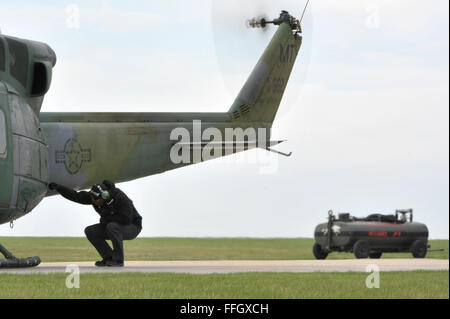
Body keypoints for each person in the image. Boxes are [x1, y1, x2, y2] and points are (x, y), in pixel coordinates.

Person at [49, 180, 142, 267]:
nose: (94, 201)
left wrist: (106, 219)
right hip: (113, 227)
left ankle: (118, 260)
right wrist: (58, 188)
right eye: (92, 198)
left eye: (96, 200)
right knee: (90, 231)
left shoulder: (120, 197)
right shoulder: (94, 197)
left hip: (132, 227)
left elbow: (126, 219)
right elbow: (75, 196)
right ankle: (109, 258)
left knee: (112, 226)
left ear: (104, 196)